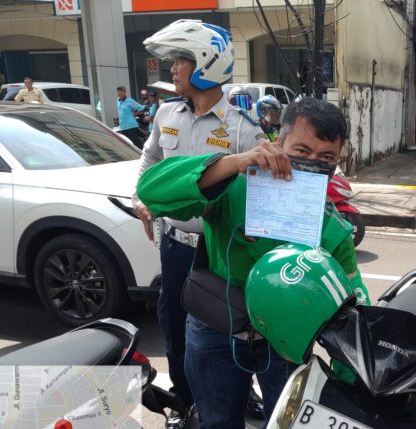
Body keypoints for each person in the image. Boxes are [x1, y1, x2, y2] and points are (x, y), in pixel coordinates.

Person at [137, 96, 370, 428]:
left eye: (326, 157)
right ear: (277, 143)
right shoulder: (233, 187)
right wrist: (234, 162)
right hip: (215, 328)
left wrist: (360, 380)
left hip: (285, 342)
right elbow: (151, 191)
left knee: (284, 424)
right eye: (301, 151)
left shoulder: (330, 226)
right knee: (217, 422)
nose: (312, 162)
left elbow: (355, 303)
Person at [133, 19, 268, 428]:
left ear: (206, 64)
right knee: (174, 330)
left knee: (230, 334)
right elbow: (151, 158)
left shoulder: (243, 130)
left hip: (219, 252)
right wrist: (141, 198)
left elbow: (257, 194)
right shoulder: (166, 114)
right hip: (175, 247)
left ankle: (236, 399)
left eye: (180, 61)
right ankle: (185, 402)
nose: (171, 70)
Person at [116, 85, 145, 149]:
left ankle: (144, 156)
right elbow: (122, 112)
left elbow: (141, 108)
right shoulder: (118, 101)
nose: (119, 92)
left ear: (125, 92)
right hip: (123, 127)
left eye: (121, 91)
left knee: (136, 145)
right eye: (118, 91)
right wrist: (118, 117)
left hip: (130, 126)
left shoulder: (130, 101)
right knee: (127, 146)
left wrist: (135, 114)